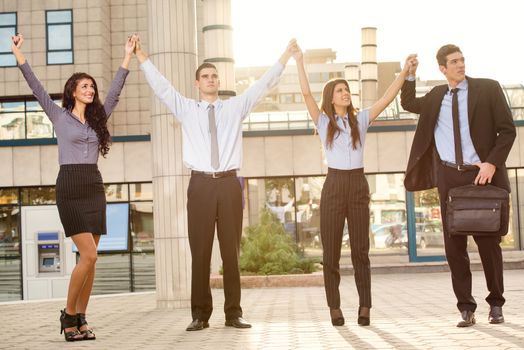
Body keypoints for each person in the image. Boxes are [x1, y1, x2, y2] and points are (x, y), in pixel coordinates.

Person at [134, 35, 296, 331]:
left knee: (231, 252)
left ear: (218, 81)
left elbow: (263, 85)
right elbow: (161, 86)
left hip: (230, 184)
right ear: (197, 83)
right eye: (205, 76)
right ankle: (200, 315)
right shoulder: (186, 108)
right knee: (200, 252)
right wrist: (141, 55)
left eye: (214, 76)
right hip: (200, 186)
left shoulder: (235, 107)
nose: (210, 79)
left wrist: (285, 55)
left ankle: (234, 313)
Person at [11, 33, 134, 341]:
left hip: (93, 185)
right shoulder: (58, 115)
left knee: (90, 260)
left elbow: (116, 92)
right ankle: (67, 316)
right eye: (84, 86)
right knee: (89, 255)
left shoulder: (97, 119)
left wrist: (127, 56)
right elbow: (36, 88)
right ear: (73, 92)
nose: (90, 90)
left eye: (92, 86)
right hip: (69, 186)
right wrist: (18, 54)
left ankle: (81, 319)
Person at [292, 41, 416, 326]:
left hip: (358, 184)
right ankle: (334, 308)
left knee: (361, 249)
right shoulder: (323, 123)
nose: (345, 93)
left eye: (347, 90)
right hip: (334, 185)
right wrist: (299, 60)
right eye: (340, 90)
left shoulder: (361, 119)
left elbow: (387, 97)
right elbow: (306, 93)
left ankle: (365, 307)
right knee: (331, 253)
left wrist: (404, 72)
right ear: (331, 97)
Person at [401, 44, 516, 327]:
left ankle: (496, 304)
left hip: (482, 176)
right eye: (454, 62)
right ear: (442, 68)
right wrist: (410, 75)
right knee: (455, 247)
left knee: (488, 244)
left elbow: (507, 130)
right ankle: (466, 307)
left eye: (462, 60)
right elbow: (407, 103)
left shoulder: (488, 89)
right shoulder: (436, 96)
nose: (460, 65)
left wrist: (491, 163)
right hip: (450, 178)